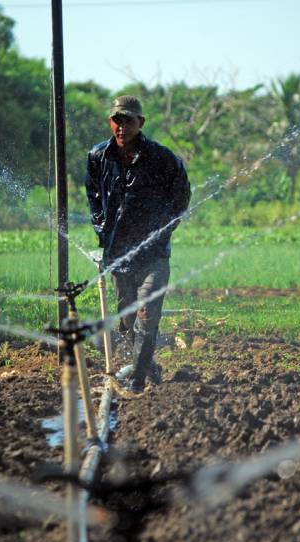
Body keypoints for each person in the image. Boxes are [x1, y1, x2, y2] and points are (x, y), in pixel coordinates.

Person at [86, 95, 191, 393]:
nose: (121, 127)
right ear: (110, 122)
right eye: (117, 120)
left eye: (128, 120)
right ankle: (146, 365)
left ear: (140, 123)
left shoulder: (161, 157)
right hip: (118, 253)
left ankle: (137, 379)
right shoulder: (98, 157)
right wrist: (103, 230)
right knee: (127, 318)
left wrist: (164, 228)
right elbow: (93, 196)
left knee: (147, 314)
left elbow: (182, 194)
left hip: (153, 252)